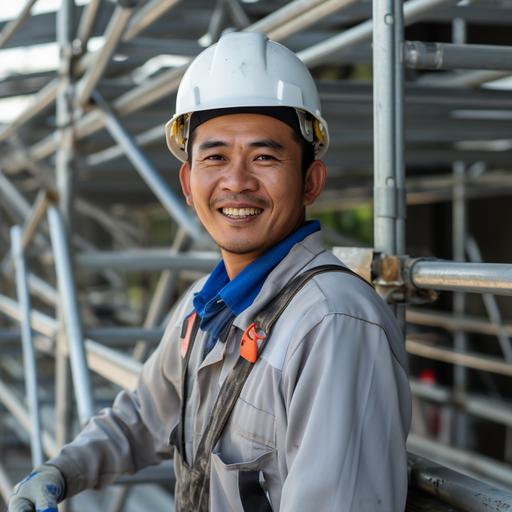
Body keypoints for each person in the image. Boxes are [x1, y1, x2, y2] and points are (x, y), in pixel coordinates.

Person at [8, 32, 411, 512]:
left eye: (264, 157)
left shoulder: (331, 325)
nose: (237, 182)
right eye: (215, 157)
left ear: (310, 181)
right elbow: (143, 416)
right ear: (187, 182)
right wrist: (61, 471)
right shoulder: (205, 305)